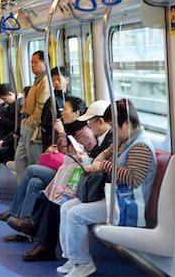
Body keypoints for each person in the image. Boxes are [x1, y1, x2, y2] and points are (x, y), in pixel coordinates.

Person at [57, 99, 157, 277]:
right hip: (116, 199)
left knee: (75, 215)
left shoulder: (140, 146)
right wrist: (97, 162)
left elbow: (133, 179)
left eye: (114, 126)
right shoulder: (124, 140)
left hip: (127, 206)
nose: (112, 131)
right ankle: (73, 258)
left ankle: (83, 262)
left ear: (126, 123)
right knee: (66, 207)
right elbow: (106, 153)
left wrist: (103, 166)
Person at [15, 100, 112, 261]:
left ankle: (37, 232)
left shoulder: (91, 136)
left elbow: (95, 164)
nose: (89, 125)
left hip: (91, 184)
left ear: (100, 121)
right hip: (80, 177)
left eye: (91, 122)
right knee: (37, 185)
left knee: (45, 186)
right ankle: (39, 236)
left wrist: (62, 136)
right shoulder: (101, 139)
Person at [0, 96, 96, 228]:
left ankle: (14, 211)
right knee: (34, 182)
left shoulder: (84, 134)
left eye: (65, 109)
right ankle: (25, 221)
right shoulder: (73, 129)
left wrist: (60, 132)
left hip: (71, 177)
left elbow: (69, 156)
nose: (62, 112)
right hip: (64, 171)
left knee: (32, 170)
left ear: (76, 113)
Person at [14, 51, 50, 184]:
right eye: (31, 62)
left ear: (44, 64)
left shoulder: (45, 82)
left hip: (33, 129)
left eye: (35, 62)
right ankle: (21, 193)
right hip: (27, 125)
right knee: (20, 159)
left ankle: (31, 197)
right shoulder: (37, 81)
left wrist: (31, 122)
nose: (32, 65)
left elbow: (40, 107)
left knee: (33, 163)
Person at [41, 66, 71, 151]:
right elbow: (46, 124)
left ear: (67, 80)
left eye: (58, 79)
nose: (56, 82)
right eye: (53, 80)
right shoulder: (51, 101)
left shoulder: (71, 99)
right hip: (54, 140)